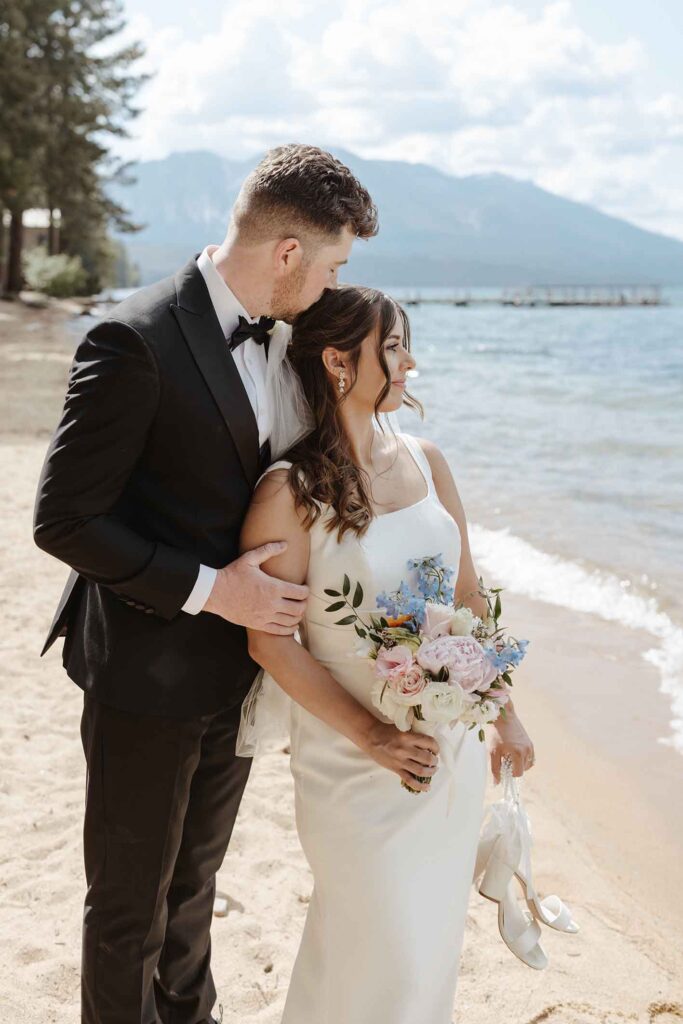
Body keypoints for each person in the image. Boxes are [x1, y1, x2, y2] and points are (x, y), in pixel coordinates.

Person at [32, 143, 408, 1024]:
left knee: (194, 886)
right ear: (287, 254)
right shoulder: (134, 340)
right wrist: (212, 590)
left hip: (245, 675)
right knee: (130, 904)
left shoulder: (297, 340)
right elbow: (65, 521)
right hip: (145, 669)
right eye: (331, 266)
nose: (330, 286)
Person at [240, 284, 535, 1023]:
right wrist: (374, 735)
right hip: (352, 764)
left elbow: (467, 597)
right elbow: (268, 637)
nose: (410, 364)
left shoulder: (427, 461)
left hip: (449, 750)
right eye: (394, 347)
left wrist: (505, 716)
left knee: (428, 947)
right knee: (376, 942)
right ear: (338, 362)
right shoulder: (289, 491)